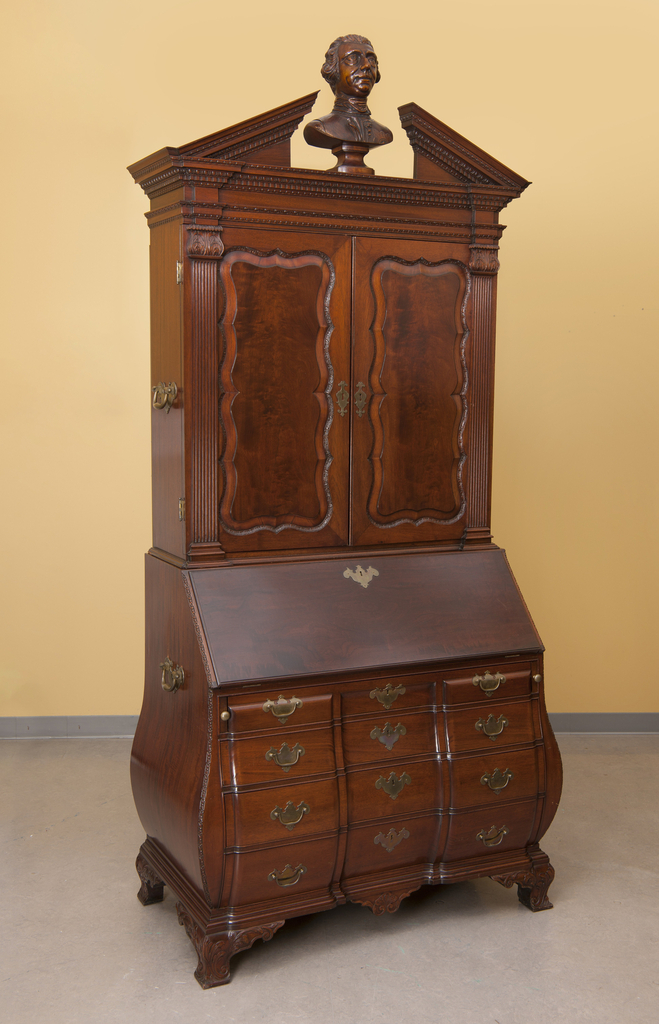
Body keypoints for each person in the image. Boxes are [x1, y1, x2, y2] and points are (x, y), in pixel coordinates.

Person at [304, 34, 393, 150]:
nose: (366, 65)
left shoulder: (382, 133)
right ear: (333, 69)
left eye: (371, 60)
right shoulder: (321, 127)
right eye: (353, 58)